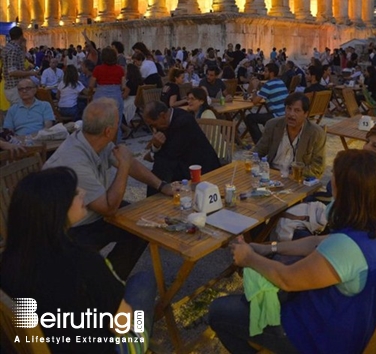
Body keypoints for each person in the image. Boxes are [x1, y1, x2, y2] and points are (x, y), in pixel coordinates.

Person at [209, 149, 376, 354]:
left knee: (219, 312)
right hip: (357, 321)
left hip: (322, 338)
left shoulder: (346, 248)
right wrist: (267, 248)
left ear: (344, 190)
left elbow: (287, 280)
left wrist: (249, 258)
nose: (330, 182)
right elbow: (317, 242)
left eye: (333, 176)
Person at [1, 167, 156, 353]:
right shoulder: (82, 261)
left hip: (41, 344)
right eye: (75, 192)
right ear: (57, 210)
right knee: (144, 281)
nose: (83, 192)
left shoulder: (9, 261)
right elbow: (121, 325)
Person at [43, 98, 172, 280]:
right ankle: (105, 285)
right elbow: (108, 208)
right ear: (109, 131)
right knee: (137, 227)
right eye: (118, 123)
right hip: (66, 232)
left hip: (89, 213)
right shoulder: (75, 162)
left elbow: (129, 163)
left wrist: (161, 185)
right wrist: (125, 165)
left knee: (143, 225)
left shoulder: (93, 139)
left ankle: (110, 279)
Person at [143, 101, 220, 195]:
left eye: (153, 125)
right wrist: (156, 147)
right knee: (159, 170)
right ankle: (152, 201)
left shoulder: (183, 122)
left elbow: (169, 154)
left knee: (161, 169)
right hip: (183, 161)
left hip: (201, 167)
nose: (153, 129)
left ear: (162, 115)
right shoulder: (166, 121)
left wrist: (152, 153)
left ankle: (152, 202)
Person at [251, 93, 326, 179]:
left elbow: (318, 168)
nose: (291, 114)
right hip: (271, 174)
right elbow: (257, 152)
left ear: (305, 114)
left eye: (297, 110)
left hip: (297, 177)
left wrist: (294, 174)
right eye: (289, 109)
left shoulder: (316, 133)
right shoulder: (272, 125)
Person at [245, 63, 289, 144]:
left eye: (265, 71)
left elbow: (255, 101)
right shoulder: (281, 82)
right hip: (285, 114)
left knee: (249, 118)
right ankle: (268, 138)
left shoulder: (268, 85)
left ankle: (260, 143)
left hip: (277, 116)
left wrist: (254, 87)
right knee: (263, 115)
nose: (263, 73)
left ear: (271, 73)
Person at [90, 46, 126, 143]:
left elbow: (91, 85)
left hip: (100, 95)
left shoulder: (97, 69)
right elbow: (123, 86)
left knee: (100, 122)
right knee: (116, 122)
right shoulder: (120, 69)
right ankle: (115, 143)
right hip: (115, 96)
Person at [3, 26, 40, 105]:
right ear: (21, 36)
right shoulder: (13, 49)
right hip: (15, 88)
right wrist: (31, 73)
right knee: (21, 114)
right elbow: (12, 72)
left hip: (13, 87)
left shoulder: (8, 47)